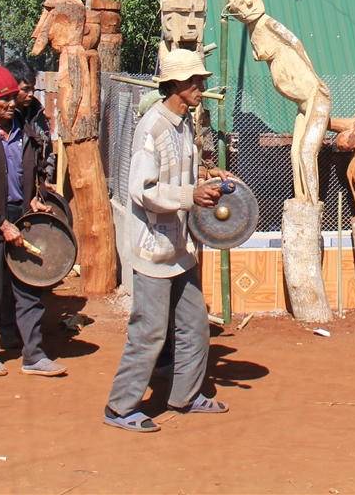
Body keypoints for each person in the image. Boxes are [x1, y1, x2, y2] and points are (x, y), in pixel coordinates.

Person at [104, 49, 228, 432]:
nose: (201, 89)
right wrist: (190, 196)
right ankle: (120, 407)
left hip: (178, 248)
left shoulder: (183, 124)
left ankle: (183, 396)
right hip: (152, 249)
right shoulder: (153, 127)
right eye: (196, 82)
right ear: (176, 85)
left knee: (194, 325)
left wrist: (205, 175)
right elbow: (143, 191)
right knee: (150, 331)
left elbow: (181, 173)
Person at [0, 65, 66, 377]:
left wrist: (35, 198)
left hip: (23, 218)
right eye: (2, 98)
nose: (10, 103)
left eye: (11, 97)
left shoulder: (26, 132)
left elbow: (32, 175)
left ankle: (34, 356)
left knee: (29, 289)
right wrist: (0, 224)